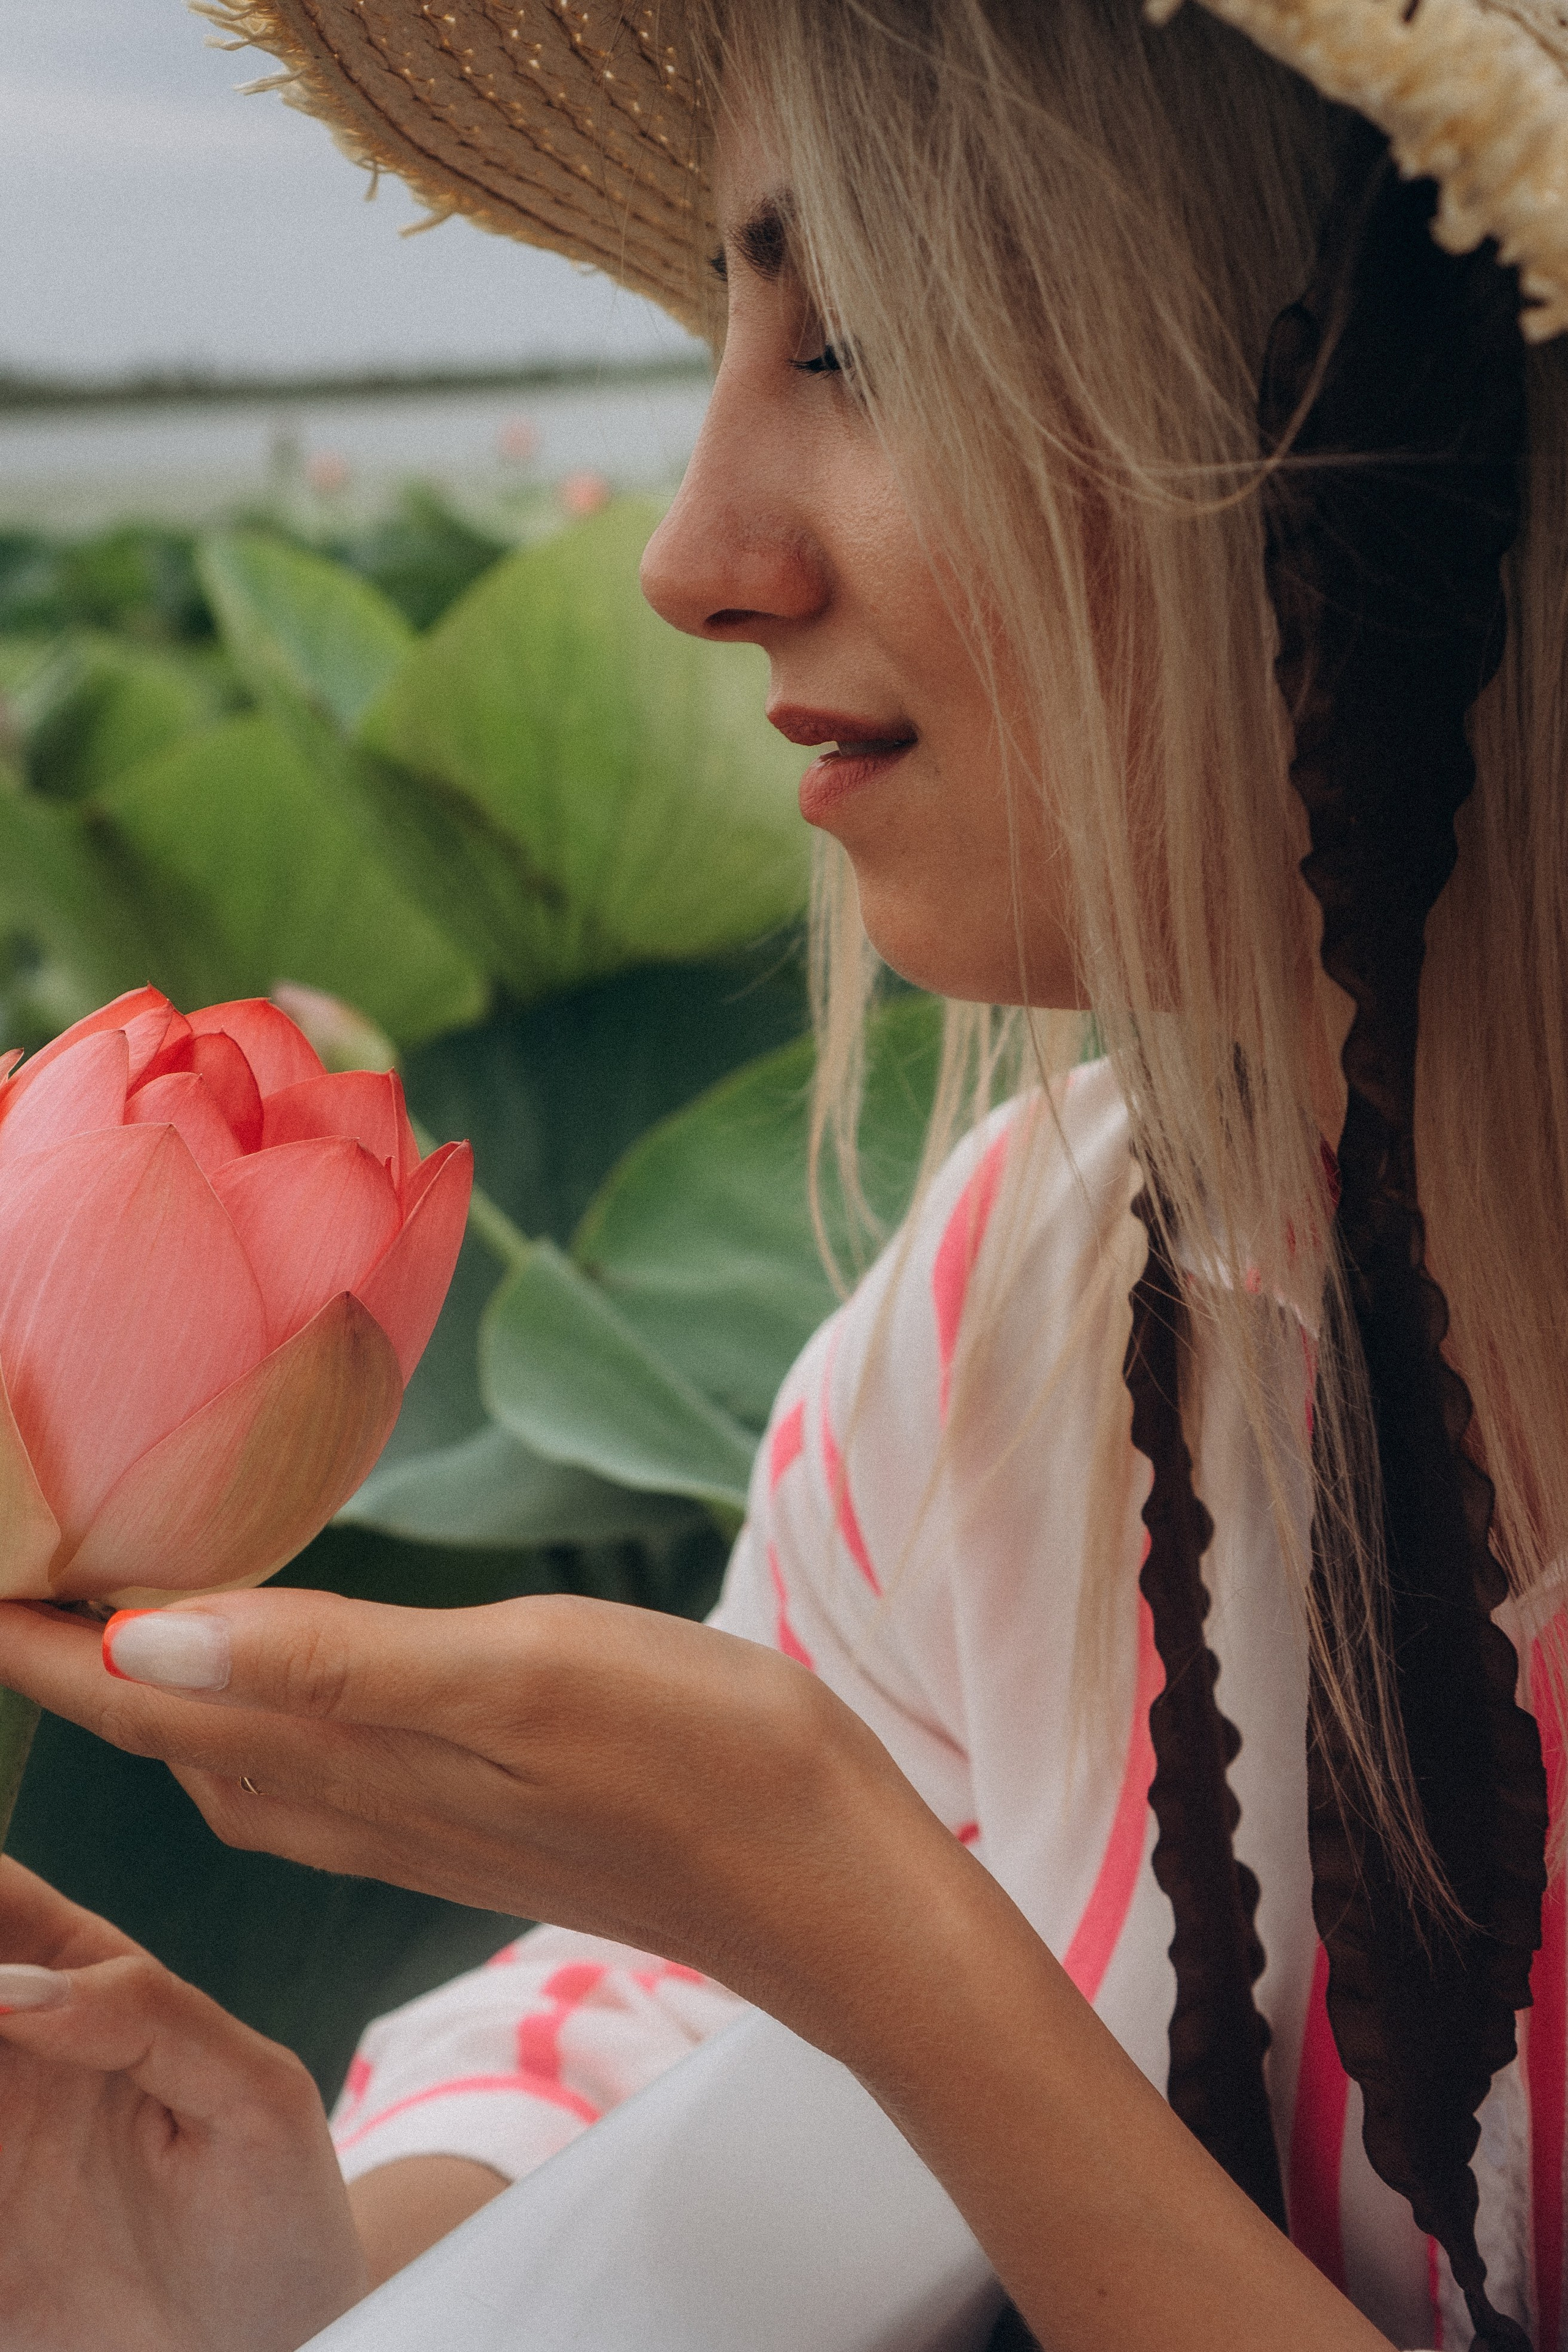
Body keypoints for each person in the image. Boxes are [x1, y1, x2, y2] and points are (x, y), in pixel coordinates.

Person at [4, 0, 1568, 2345]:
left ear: (1406, 428)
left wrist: (858, 1922)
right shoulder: (1014, 1316)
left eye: (863, 339)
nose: (689, 558)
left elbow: (816, 1930)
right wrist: (272, 2263)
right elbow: (668, 2031)